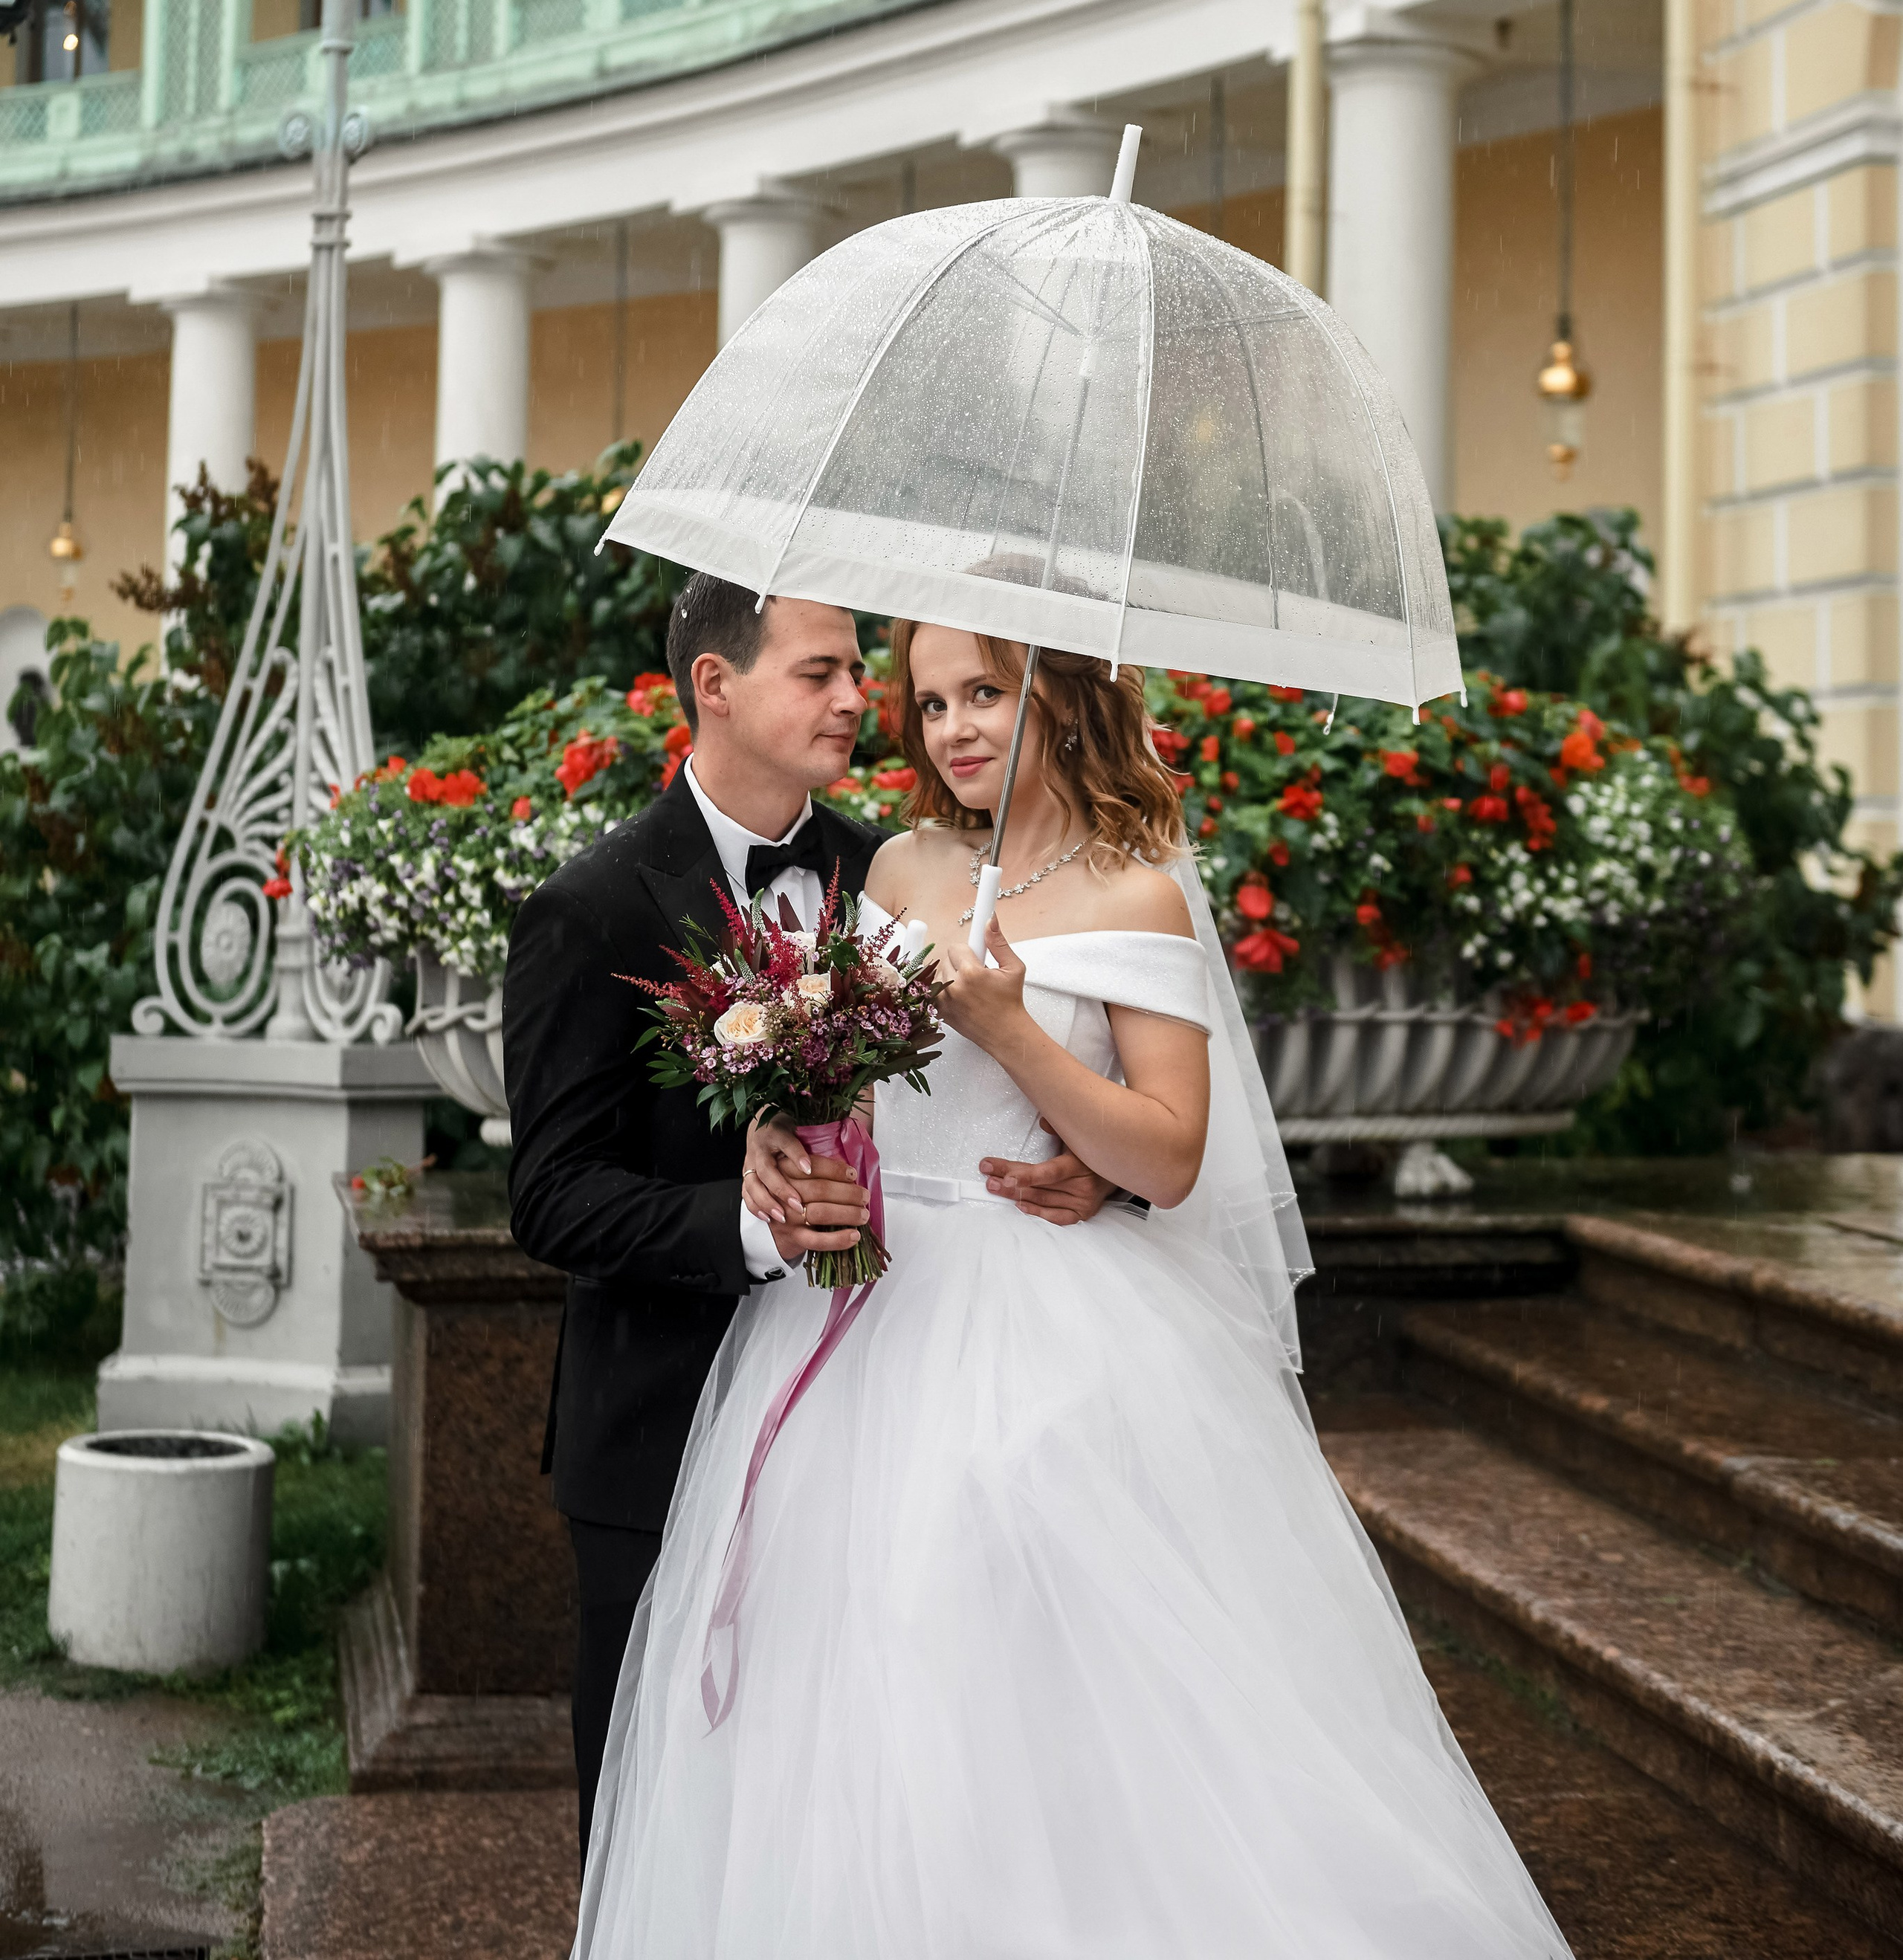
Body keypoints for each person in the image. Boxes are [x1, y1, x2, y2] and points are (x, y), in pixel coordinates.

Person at [572, 624, 1571, 1959]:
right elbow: (855, 1088)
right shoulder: (900, 864)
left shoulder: (1134, 893)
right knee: (855, 1673)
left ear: (1067, 693)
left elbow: (1166, 1147)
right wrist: (781, 1123)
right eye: (929, 702)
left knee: (1029, 1644)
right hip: (864, 1308)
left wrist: (1019, 1042)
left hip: (1049, 1324)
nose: (951, 729)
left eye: (985, 692)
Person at [503, 578, 1114, 1860]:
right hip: (660, 1424)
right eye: (820, 673)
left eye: (855, 674)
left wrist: (1089, 1164)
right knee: (650, 1814)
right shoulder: (592, 906)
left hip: (880, 1420)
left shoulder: (890, 871)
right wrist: (742, 1219)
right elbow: (551, 1193)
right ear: (715, 686)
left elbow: (1001, 1073)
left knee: (837, 1793)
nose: (858, 700)